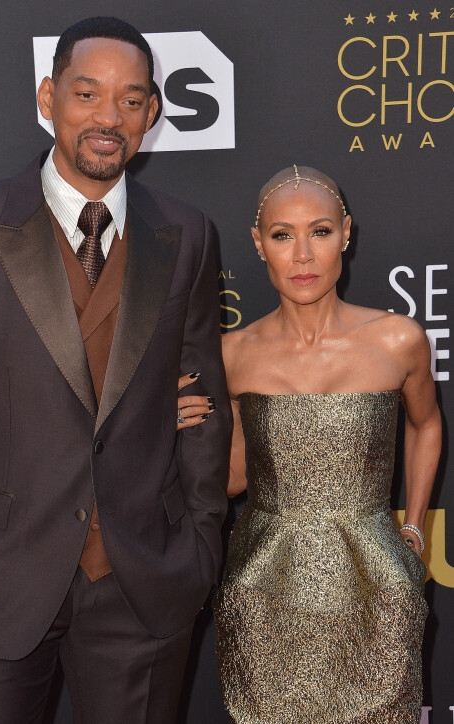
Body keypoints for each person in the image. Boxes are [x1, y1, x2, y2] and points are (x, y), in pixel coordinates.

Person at [0, 16, 232, 724]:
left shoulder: (187, 234)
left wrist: (197, 550)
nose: (109, 118)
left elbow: (204, 404)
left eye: (131, 100)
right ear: (48, 98)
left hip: (144, 581)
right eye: (87, 93)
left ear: (153, 114)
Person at [182, 165, 441, 722]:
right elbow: (233, 480)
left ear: (345, 233)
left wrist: (414, 528)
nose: (302, 255)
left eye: (319, 232)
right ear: (259, 244)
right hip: (264, 588)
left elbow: (426, 425)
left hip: (376, 584)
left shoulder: (399, 340)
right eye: (282, 235)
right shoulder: (231, 354)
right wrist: (184, 432)